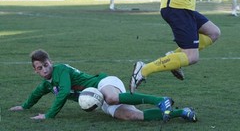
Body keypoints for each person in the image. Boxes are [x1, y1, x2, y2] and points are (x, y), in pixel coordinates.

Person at [9, 49, 197, 123]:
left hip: (103, 83)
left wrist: (48, 115)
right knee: (131, 116)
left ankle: (161, 100)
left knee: (112, 97)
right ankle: (182, 113)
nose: (44, 69)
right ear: (36, 70)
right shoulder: (47, 84)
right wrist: (25, 106)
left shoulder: (61, 71)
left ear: (51, 62)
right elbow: (36, 93)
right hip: (97, 97)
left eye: (46, 64)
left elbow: (65, 91)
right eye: (39, 68)